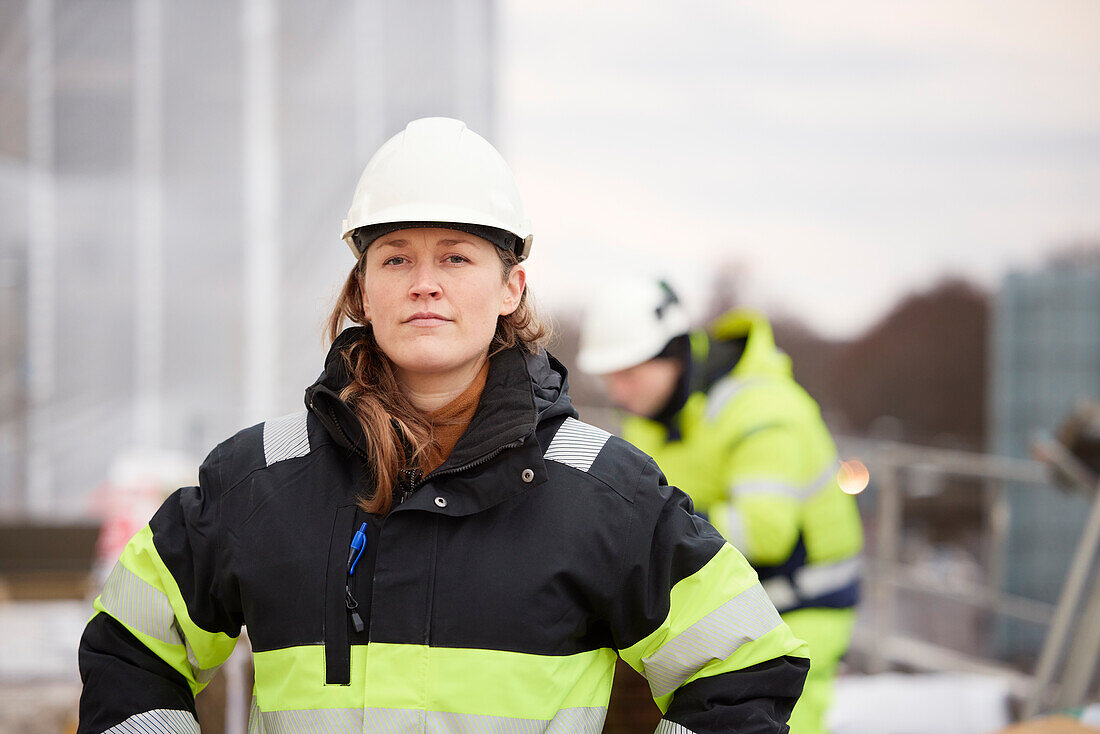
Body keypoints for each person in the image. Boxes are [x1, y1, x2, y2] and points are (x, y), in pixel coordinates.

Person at [78, 118, 809, 734]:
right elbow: (130, 647)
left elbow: (744, 667)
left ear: (510, 286)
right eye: (396, 258)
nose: (424, 281)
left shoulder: (603, 495)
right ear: (364, 288)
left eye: (455, 256)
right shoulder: (260, 482)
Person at [577, 278, 864, 734]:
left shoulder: (762, 408)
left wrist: (658, 534)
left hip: (800, 609)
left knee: (779, 722)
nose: (618, 393)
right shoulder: (652, 418)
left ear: (672, 357)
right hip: (720, 601)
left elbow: (765, 533)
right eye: (609, 378)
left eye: (628, 374)